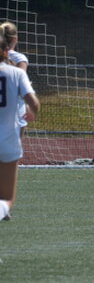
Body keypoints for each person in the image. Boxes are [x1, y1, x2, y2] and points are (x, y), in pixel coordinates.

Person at [0, 31, 40, 221]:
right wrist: (33, 113)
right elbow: (33, 102)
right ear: (6, 51)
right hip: (8, 140)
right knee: (7, 199)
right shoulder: (16, 73)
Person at [0, 22, 29, 137]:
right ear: (14, 39)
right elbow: (20, 85)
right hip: (15, 109)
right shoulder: (19, 58)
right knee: (15, 145)